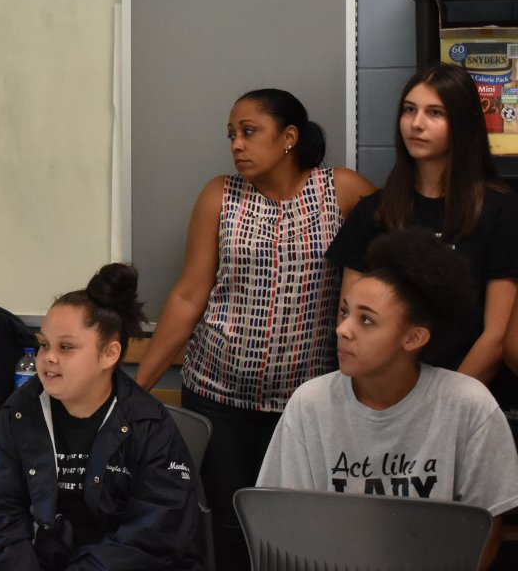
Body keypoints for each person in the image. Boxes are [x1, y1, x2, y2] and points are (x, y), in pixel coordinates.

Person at [133, 88, 374, 569]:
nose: (236, 145)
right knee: (229, 525)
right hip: (220, 397)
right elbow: (187, 296)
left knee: (303, 527)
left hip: (307, 404)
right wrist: (137, 388)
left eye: (248, 132)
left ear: (288, 137)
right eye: (231, 135)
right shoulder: (219, 195)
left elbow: (391, 271)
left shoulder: (341, 190)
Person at [258, 228, 518, 570]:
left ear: (413, 338)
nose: (343, 329)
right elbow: (285, 526)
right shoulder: (311, 403)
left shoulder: (469, 405)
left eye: (366, 320)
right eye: (345, 312)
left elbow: (484, 538)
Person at [326, 62, 518, 440]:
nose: (416, 124)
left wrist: (438, 411)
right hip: (383, 403)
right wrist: (382, 408)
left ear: (461, 124)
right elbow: (350, 318)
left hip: (470, 405)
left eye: (435, 113)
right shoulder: (375, 210)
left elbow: (494, 337)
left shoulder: (500, 211)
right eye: (409, 110)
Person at [0, 263, 202, 571]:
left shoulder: (149, 425)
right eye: (44, 345)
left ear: (110, 354)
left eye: (66, 347)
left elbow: (153, 538)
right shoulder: (16, 417)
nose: (49, 357)